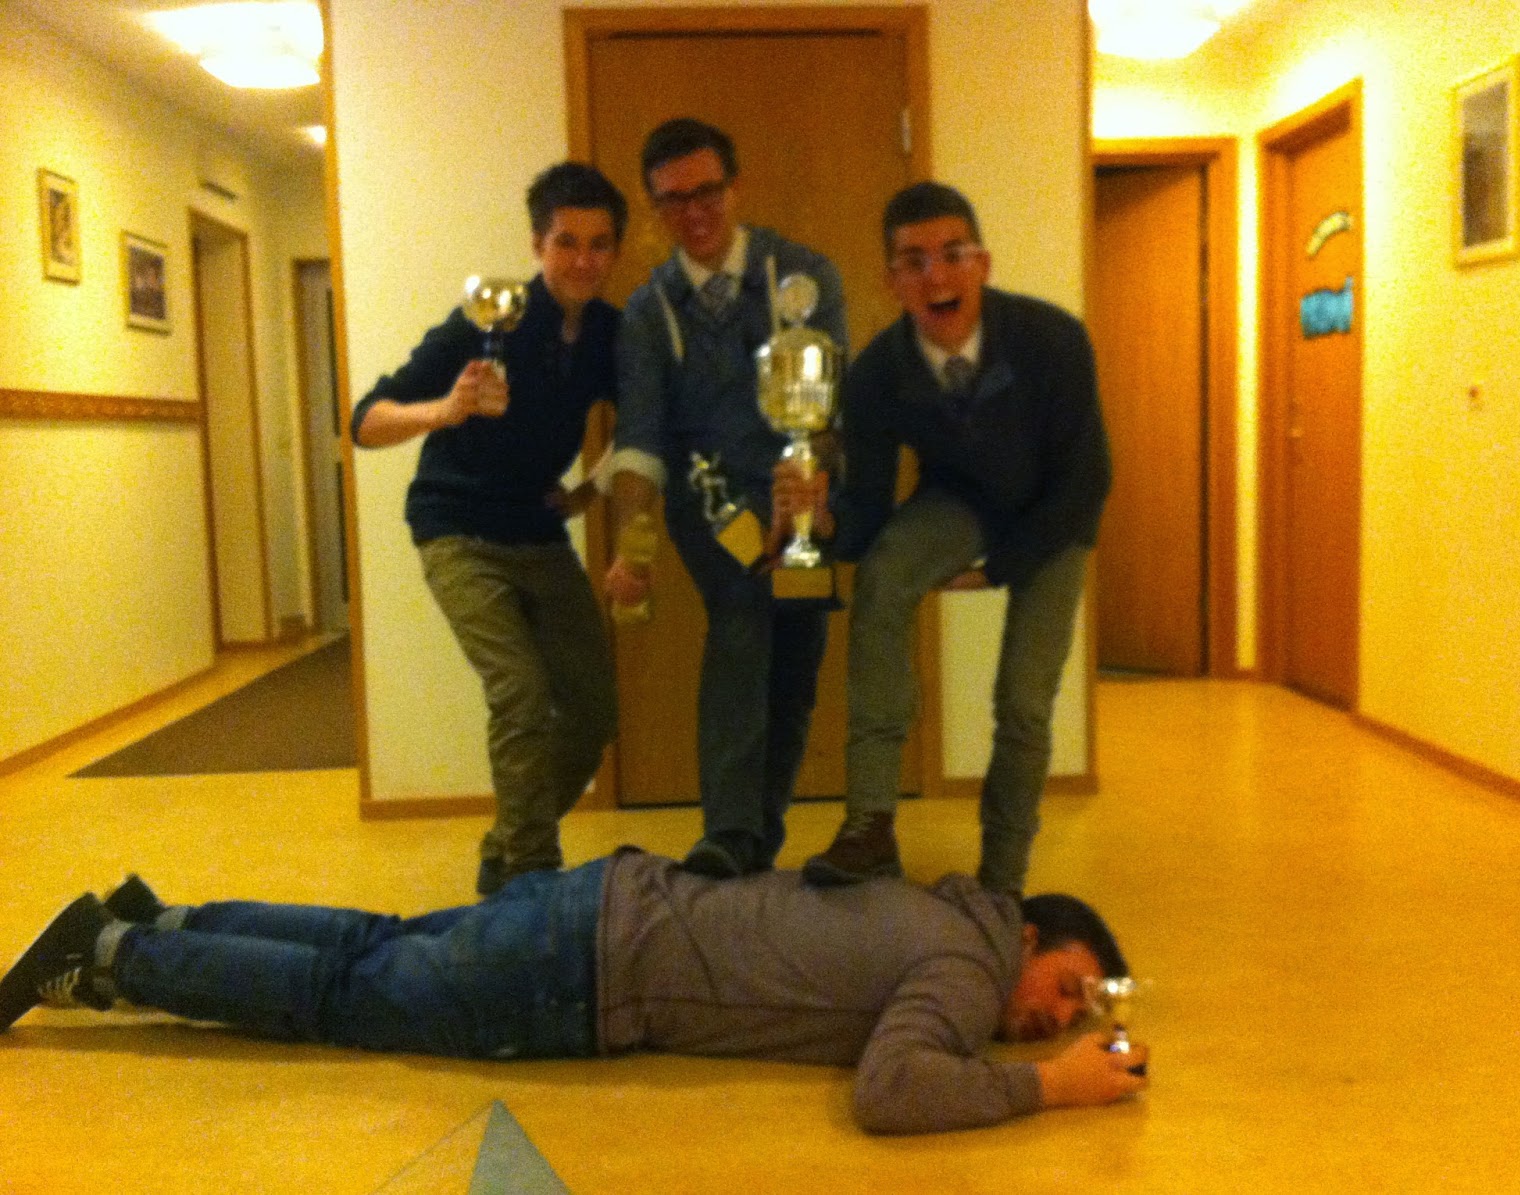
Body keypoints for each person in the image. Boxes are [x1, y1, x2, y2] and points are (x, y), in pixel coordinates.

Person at [0, 861, 1148, 1135]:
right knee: (345, 993)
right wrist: (1050, 1087)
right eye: (1065, 988)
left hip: (602, 899)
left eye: (1077, 1015)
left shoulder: (936, 909)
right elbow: (890, 1090)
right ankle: (108, 956)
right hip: (584, 973)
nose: (1055, 1017)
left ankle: (170, 921)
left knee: (370, 943)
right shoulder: (963, 965)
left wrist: (1052, 1055)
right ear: (1027, 934)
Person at [795, 182, 1112, 896]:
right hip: (961, 500)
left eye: (952, 254)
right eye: (914, 261)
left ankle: (1001, 882)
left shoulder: (1054, 340)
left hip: (1057, 513)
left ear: (983, 264)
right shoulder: (877, 374)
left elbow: (1087, 478)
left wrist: (1000, 568)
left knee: (1024, 700)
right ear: (893, 280)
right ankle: (869, 824)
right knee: (882, 576)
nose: (936, 275)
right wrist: (827, 521)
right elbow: (868, 511)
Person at [351, 162, 628, 896]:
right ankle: (529, 881)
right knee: (521, 692)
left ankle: (506, 843)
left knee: (593, 711)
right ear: (537, 245)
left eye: (599, 244)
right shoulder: (484, 319)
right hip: (457, 529)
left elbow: (643, 423)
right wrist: (446, 409)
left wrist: (590, 491)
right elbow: (365, 421)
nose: (583, 261)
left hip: (538, 532)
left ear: (615, 251)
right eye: (566, 242)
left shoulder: (610, 333)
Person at [603, 119, 849, 879]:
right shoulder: (648, 310)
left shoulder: (804, 277)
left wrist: (808, 486)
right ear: (655, 207)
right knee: (742, 622)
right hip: (711, 507)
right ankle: (730, 831)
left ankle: (758, 834)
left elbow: (829, 412)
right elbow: (640, 439)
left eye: (707, 191)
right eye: (672, 200)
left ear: (734, 187)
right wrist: (632, 549)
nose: (694, 212)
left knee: (795, 663)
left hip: (804, 500)